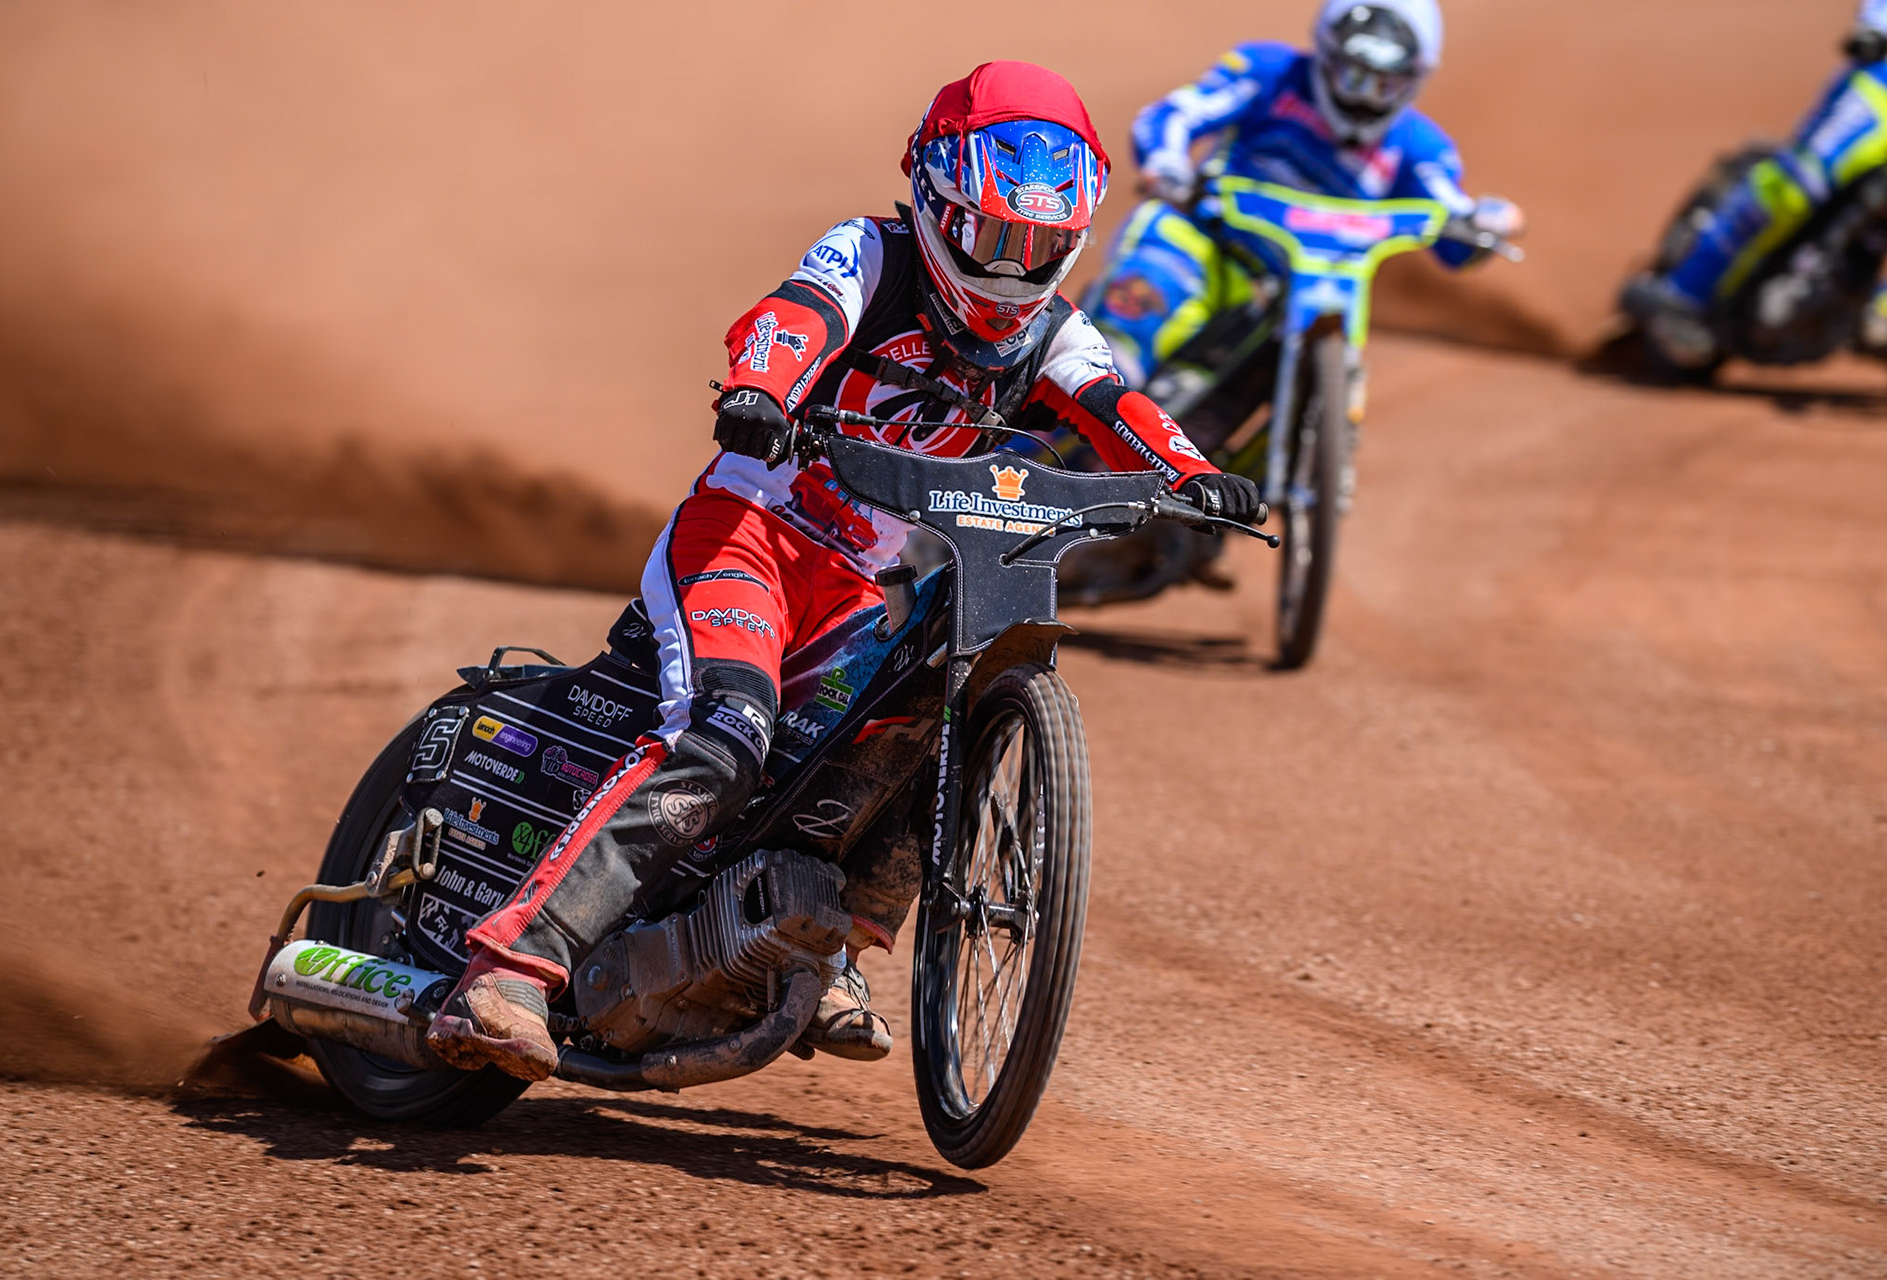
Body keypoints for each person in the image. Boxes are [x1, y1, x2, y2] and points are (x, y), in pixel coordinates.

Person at [424, 61, 1264, 1082]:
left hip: (853, 589)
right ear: (936, 202)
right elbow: (795, 317)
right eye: (992, 238)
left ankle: (820, 946)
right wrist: (758, 387)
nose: (1010, 272)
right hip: (746, 534)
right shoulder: (871, 252)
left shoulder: (1055, 330)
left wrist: (1196, 473)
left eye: (1038, 247)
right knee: (726, 740)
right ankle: (509, 965)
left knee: (914, 738)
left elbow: (1114, 401)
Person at [1083, 0, 1523, 388]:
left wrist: (1483, 221)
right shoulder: (1270, 73)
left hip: (1296, 294)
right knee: (1141, 302)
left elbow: (1452, 221)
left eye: (1385, 83)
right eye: (1352, 75)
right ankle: (1075, 402)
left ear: (1416, 78)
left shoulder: (1420, 145)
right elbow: (1176, 114)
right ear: (1325, 50)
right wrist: (1168, 164)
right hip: (1207, 245)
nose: (1365, 98)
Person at [1625, 0, 1887, 369]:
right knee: (1795, 187)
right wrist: (1877, 25)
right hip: (1882, 86)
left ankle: (1872, 304)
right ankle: (1686, 292)